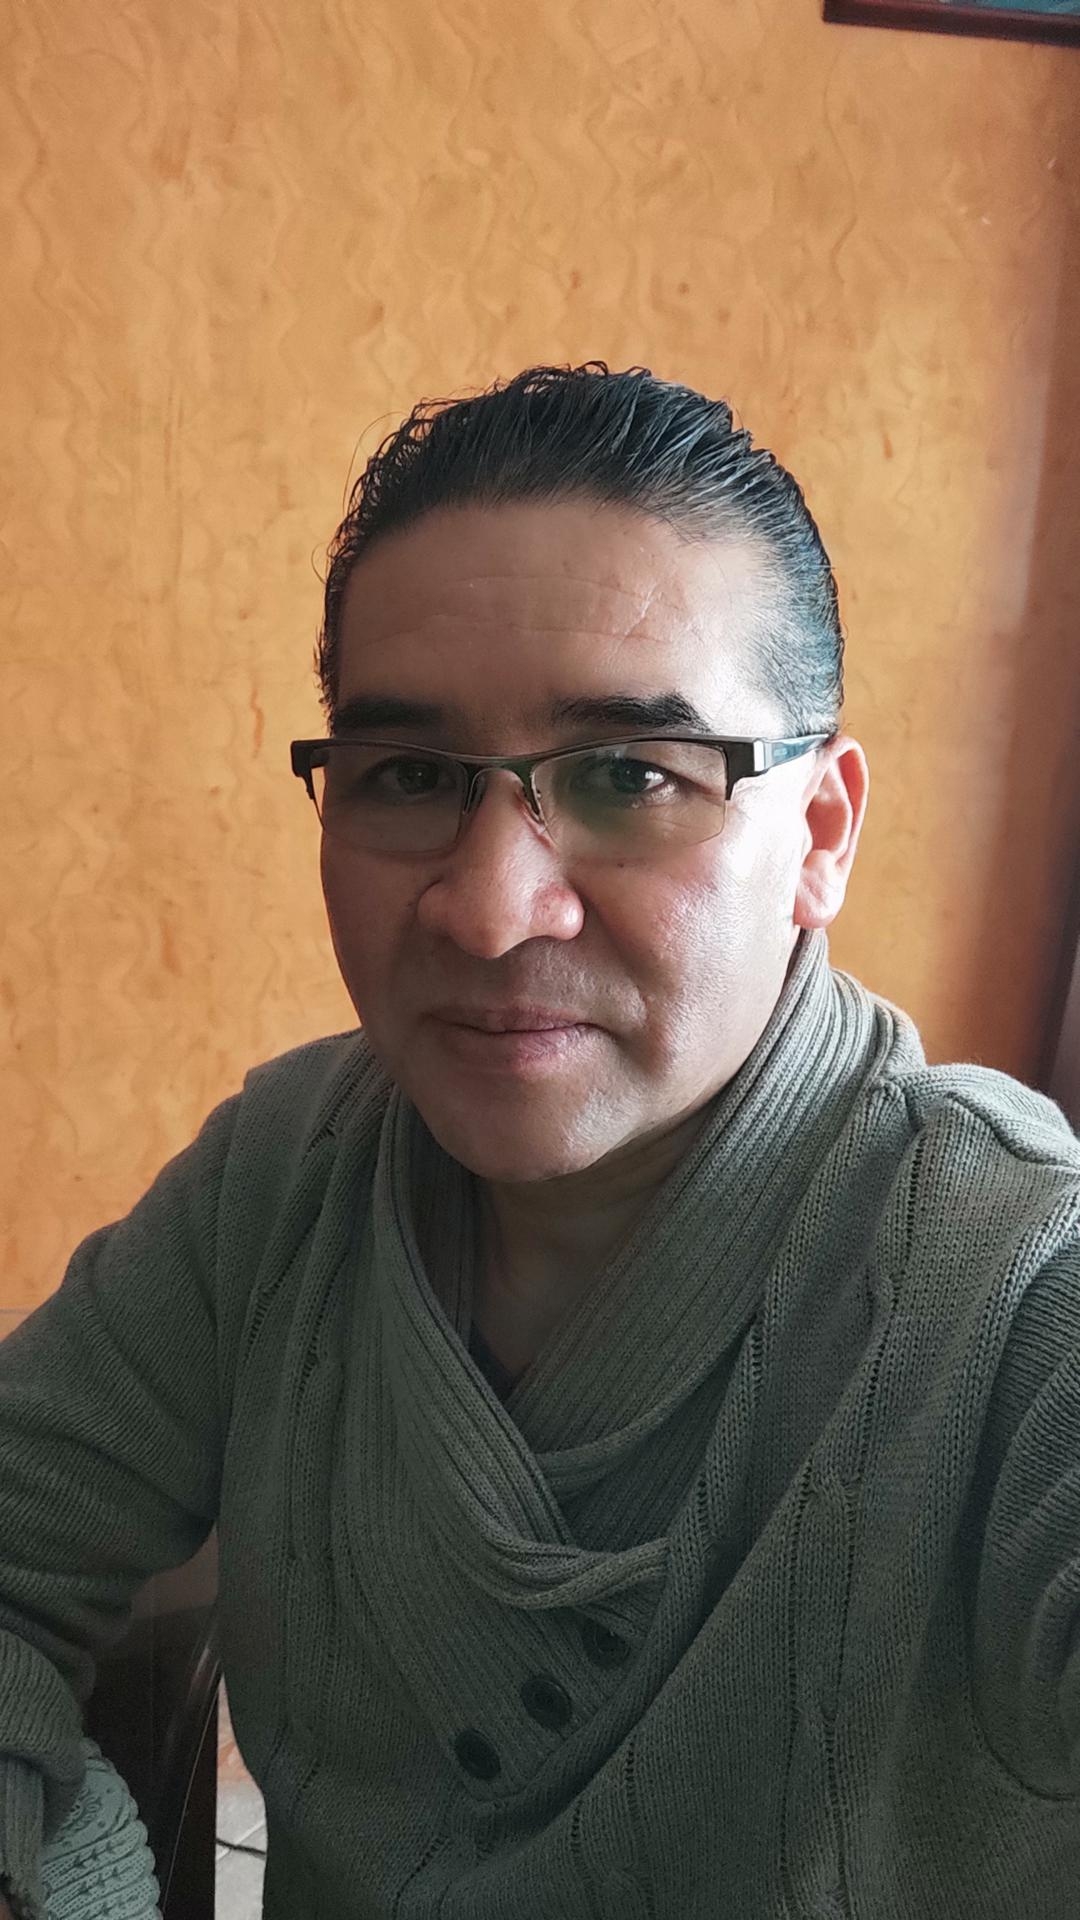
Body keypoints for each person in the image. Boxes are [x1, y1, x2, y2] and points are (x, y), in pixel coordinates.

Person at [1, 362, 1078, 1920]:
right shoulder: (285, 1180)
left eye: (632, 775)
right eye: (410, 777)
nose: (492, 910)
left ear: (821, 834)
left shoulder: (1010, 1287)